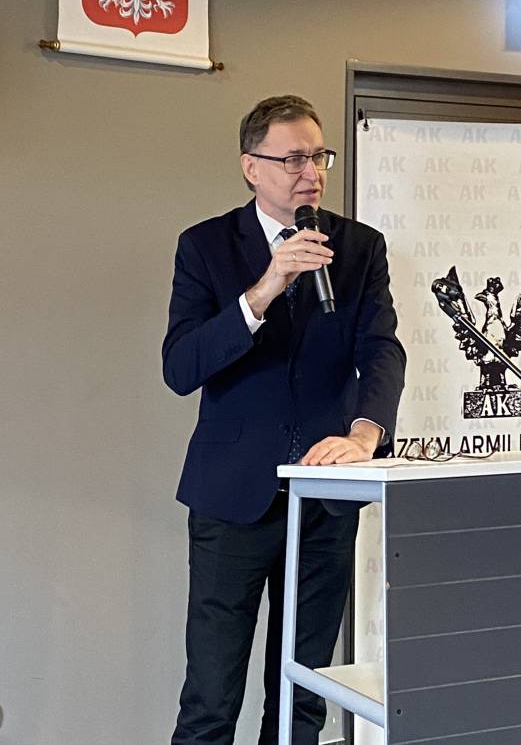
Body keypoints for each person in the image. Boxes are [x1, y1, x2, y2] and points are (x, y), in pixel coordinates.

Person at [163, 95, 406, 744]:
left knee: (302, 697)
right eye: (293, 158)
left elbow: (380, 350)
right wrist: (265, 288)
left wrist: (365, 434)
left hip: (323, 500)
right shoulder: (206, 246)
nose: (312, 173)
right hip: (231, 499)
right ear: (252, 167)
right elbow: (180, 367)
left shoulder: (358, 247)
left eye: (319, 156)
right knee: (211, 697)